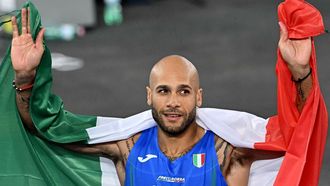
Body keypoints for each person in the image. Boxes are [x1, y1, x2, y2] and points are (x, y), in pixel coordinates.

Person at [10, 6, 318, 186]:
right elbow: (45, 131)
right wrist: (25, 78)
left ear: (199, 97)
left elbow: (297, 137)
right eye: (163, 91)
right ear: (149, 97)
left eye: (183, 91)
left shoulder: (229, 156)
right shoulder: (126, 149)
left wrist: (301, 74)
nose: (172, 101)